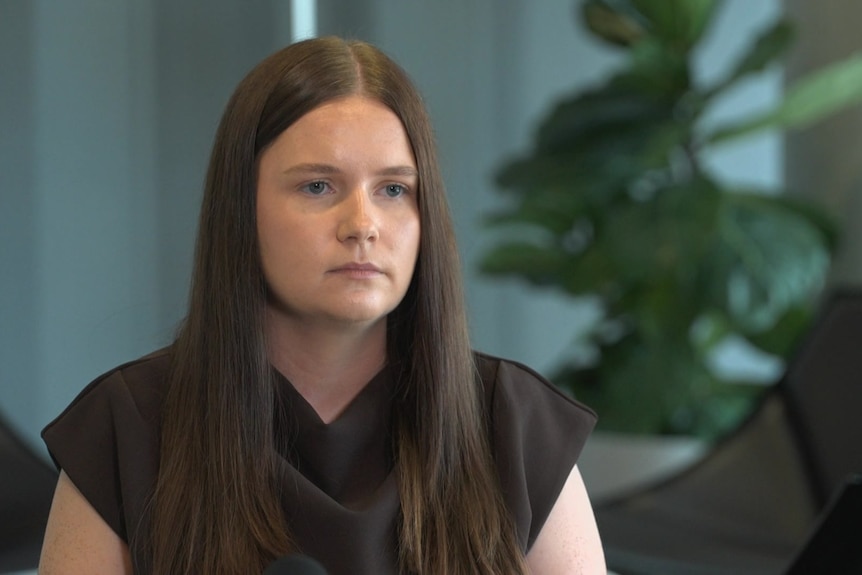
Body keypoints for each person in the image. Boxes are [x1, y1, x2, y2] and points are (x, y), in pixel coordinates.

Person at [38, 36, 605, 575]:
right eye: (317, 187)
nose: (362, 225)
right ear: (240, 210)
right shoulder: (128, 429)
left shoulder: (514, 426)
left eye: (393, 190)